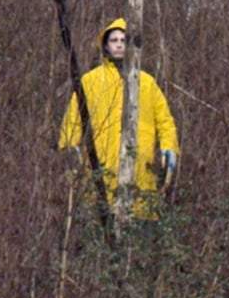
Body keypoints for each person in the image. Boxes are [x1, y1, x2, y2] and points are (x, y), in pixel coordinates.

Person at [59, 16, 180, 213]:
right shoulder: (90, 82)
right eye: (114, 41)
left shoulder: (147, 83)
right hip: (100, 175)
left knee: (138, 229)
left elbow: (165, 121)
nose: (119, 45)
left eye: (124, 41)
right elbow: (73, 119)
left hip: (140, 174)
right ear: (105, 46)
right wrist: (70, 149)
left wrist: (169, 149)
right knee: (101, 230)